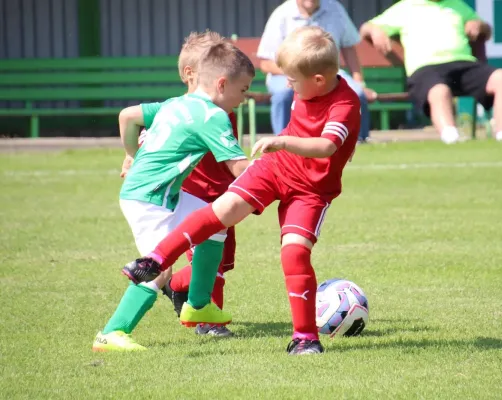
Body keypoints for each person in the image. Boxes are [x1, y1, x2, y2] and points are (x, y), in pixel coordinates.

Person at [121, 26, 361, 355]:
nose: (287, 85)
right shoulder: (308, 80)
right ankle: (154, 260)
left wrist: (282, 141)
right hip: (276, 168)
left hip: (311, 190)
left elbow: (327, 146)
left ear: (319, 80)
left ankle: (305, 337)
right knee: (221, 212)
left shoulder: (344, 104)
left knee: (294, 253)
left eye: (291, 80)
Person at [92, 31, 254, 352]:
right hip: (148, 200)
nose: (244, 98)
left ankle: (196, 304)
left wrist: (130, 154)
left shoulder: (177, 103)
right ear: (222, 84)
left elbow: (127, 116)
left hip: (161, 193)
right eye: (243, 90)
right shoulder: (214, 116)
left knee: (216, 221)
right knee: (160, 268)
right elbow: (238, 168)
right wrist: (282, 173)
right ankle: (112, 332)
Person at [359, 0, 502, 144]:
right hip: (425, 67)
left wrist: (479, 25)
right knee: (439, 91)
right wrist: (375, 31)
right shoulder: (406, 7)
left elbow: (486, 30)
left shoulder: (457, 4)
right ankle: (451, 138)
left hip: (464, 63)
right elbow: (365, 27)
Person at [257, 0, 376, 142]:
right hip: (286, 74)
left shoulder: (335, 9)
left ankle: (358, 140)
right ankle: (284, 140)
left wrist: (359, 82)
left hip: (328, 72)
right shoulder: (281, 14)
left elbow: (348, 47)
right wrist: (297, 74)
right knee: (284, 94)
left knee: (357, 93)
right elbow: (265, 63)